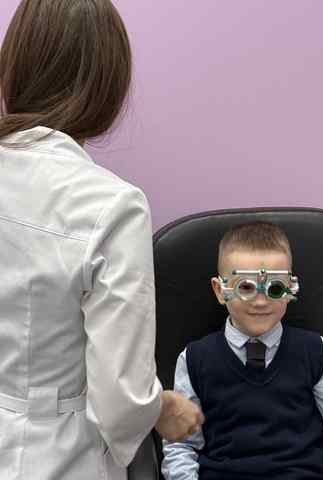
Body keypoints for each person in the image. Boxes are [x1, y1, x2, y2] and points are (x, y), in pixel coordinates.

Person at [0, 1, 203, 479]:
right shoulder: (112, 206)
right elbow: (122, 398)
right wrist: (162, 406)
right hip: (50, 456)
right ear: (107, 86)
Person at [162, 221, 323, 479]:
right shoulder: (194, 359)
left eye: (274, 288)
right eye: (246, 287)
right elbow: (180, 446)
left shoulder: (315, 352)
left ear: (289, 289)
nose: (261, 302)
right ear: (220, 290)